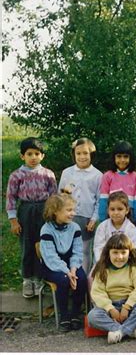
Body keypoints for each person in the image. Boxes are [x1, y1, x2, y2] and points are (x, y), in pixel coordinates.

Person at [6, 137, 57, 298]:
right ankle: (27, 280)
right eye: (29, 154)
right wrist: (13, 220)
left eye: (37, 153)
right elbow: (11, 198)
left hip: (44, 211)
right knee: (27, 245)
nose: (33, 157)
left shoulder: (48, 174)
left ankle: (40, 278)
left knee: (43, 245)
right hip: (26, 211)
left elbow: (54, 196)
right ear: (23, 156)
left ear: (42, 156)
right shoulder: (16, 175)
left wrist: (53, 215)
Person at [88, 234, 136, 344]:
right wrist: (110, 309)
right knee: (92, 316)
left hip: (130, 305)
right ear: (108, 253)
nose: (120, 257)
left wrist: (127, 306)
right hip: (110, 306)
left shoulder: (134, 268)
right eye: (115, 253)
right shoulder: (102, 270)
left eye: (123, 253)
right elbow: (98, 292)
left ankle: (120, 332)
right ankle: (127, 329)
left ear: (129, 253)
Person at [39, 193, 87, 332]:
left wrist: (73, 270)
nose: (73, 213)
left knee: (81, 278)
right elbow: (50, 257)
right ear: (55, 211)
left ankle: (75, 313)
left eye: (73, 209)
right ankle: (64, 315)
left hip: (71, 263)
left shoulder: (75, 228)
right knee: (63, 280)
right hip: (52, 266)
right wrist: (66, 272)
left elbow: (78, 251)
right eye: (69, 210)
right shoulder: (46, 229)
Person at [58, 138, 103, 274]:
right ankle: (69, 277)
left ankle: (83, 278)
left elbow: (100, 200)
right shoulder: (67, 173)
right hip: (68, 217)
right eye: (78, 153)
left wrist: (94, 219)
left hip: (86, 218)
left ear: (91, 155)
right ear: (74, 155)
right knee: (67, 249)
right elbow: (59, 196)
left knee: (84, 250)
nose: (82, 157)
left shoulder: (98, 175)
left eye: (85, 153)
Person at [98, 141, 136, 222]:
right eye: (119, 156)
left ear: (130, 158)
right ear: (114, 157)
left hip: (129, 216)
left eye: (125, 156)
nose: (122, 160)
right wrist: (102, 219)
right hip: (112, 214)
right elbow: (103, 199)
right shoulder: (107, 176)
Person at [93, 191, 136, 263]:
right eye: (112, 209)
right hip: (104, 263)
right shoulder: (102, 227)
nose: (116, 213)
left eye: (120, 209)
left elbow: (133, 250)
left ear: (127, 210)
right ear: (108, 210)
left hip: (124, 263)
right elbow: (98, 248)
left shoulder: (131, 228)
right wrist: (103, 263)